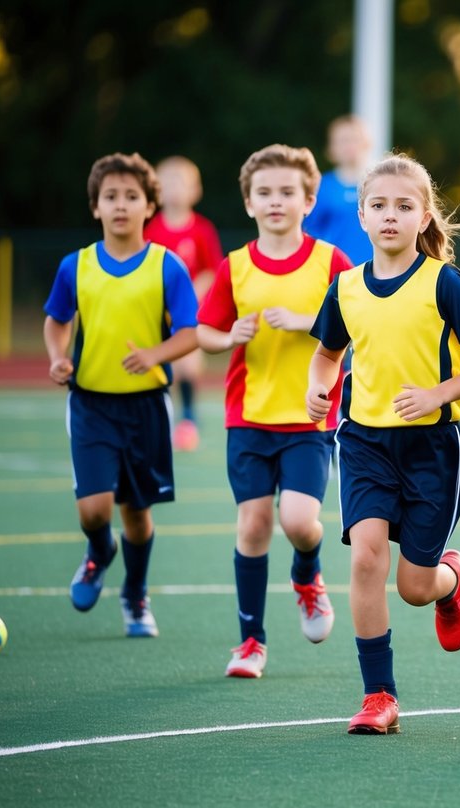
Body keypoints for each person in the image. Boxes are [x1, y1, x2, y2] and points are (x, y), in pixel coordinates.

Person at [307, 152, 460, 734]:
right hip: (364, 441)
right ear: (362, 216)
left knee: (414, 587)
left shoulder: (442, 282)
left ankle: (450, 579)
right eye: (378, 206)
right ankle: (379, 696)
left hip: (433, 447)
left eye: (404, 206)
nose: (390, 215)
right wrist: (320, 390)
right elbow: (326, 355)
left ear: (424, 217)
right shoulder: (344, 288)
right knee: (366, 557)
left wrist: (439, 393)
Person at [196, 144, 354, 678]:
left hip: (309, 420)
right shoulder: (234, 266)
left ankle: (308, 575)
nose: (276, 201)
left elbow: (354, 326)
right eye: (264, 193)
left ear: (309, 200)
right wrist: (226, 337)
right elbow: (205, 330)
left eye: (288, 192)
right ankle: (250, 643)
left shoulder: (330, 261)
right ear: (248, 202)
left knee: (300, 523)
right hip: (248, 419)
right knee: (254, 525)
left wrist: (307, 320)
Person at [42, 152, 199, 637]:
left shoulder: (166, 266)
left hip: (147, 408)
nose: (121, 205)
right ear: (96, 207)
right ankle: (97, 551)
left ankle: (135, 594)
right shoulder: (77, 265)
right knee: (94, 509)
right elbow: (56, 321)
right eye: (111, 197)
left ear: (149, 206)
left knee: (135, 513)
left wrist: (156, 354)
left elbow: (191, 333)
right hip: (90, 403)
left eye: (132, 196)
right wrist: (57, 356)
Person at [144, 156, 224, 451]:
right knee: (160, 367)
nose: (175, 190)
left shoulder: (202, 229)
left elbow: (212, 269)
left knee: (188, 366)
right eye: (169, 183)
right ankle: (159, 418)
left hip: (189, 313)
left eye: (182, 183)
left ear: (195, 191)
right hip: (156, 312)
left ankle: (188, 418)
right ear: (158, 191)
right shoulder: (150, 230)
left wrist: (188, 293)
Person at [303, 114, 374, 264]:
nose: (349, 146)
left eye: (355, 139)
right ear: (331, 149)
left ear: (367, 143)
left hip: (378, 274)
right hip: (336, 275)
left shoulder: (382, 185)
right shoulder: (320, 187)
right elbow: (308, 233)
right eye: (343, 141)